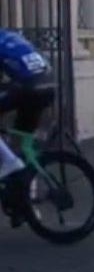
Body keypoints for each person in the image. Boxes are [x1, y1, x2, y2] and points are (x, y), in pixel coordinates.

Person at [0, 29, 55, 226]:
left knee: (14, 158)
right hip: (48, 85)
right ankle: (26, 205)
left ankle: (8, 163)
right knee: (23, 146)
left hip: (29, 88)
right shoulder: (10, 35)